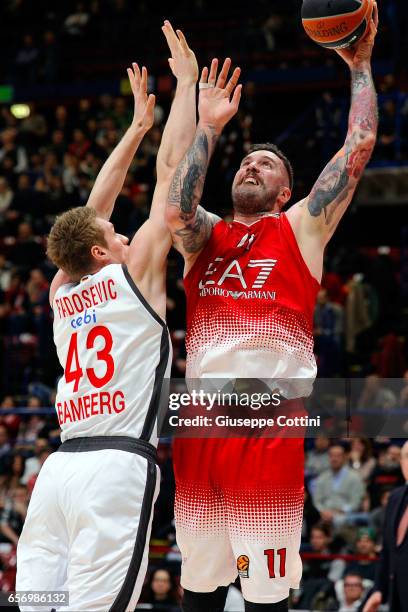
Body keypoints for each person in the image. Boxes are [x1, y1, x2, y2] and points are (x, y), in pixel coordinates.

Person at [165, 6, 378, 611]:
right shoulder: (204, 235)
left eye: (266, 163)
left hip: (267, 425)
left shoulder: (300, 228)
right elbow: (177, 211)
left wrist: (359, 66)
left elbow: (359, 143)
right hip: (203, 423)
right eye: (245, 161)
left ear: (286, 190)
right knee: (200, 587)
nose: (250, 164)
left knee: (264, 594)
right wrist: (208, 129)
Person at [16, 22, 198, 612]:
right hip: (114, 467)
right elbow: (170, 182)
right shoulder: (133, 274)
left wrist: (135, 127)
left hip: (58, 472)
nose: (124, 233)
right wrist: (187, 87)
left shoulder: (62, 289)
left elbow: (88, 213)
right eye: (116, 236)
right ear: (102, 253)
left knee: (38, 605)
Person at [363, 440, 408, 612]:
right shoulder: (395, 497)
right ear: (402, 463)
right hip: (396, 594)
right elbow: (389, 550)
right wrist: (379, 589)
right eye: (407, 458)